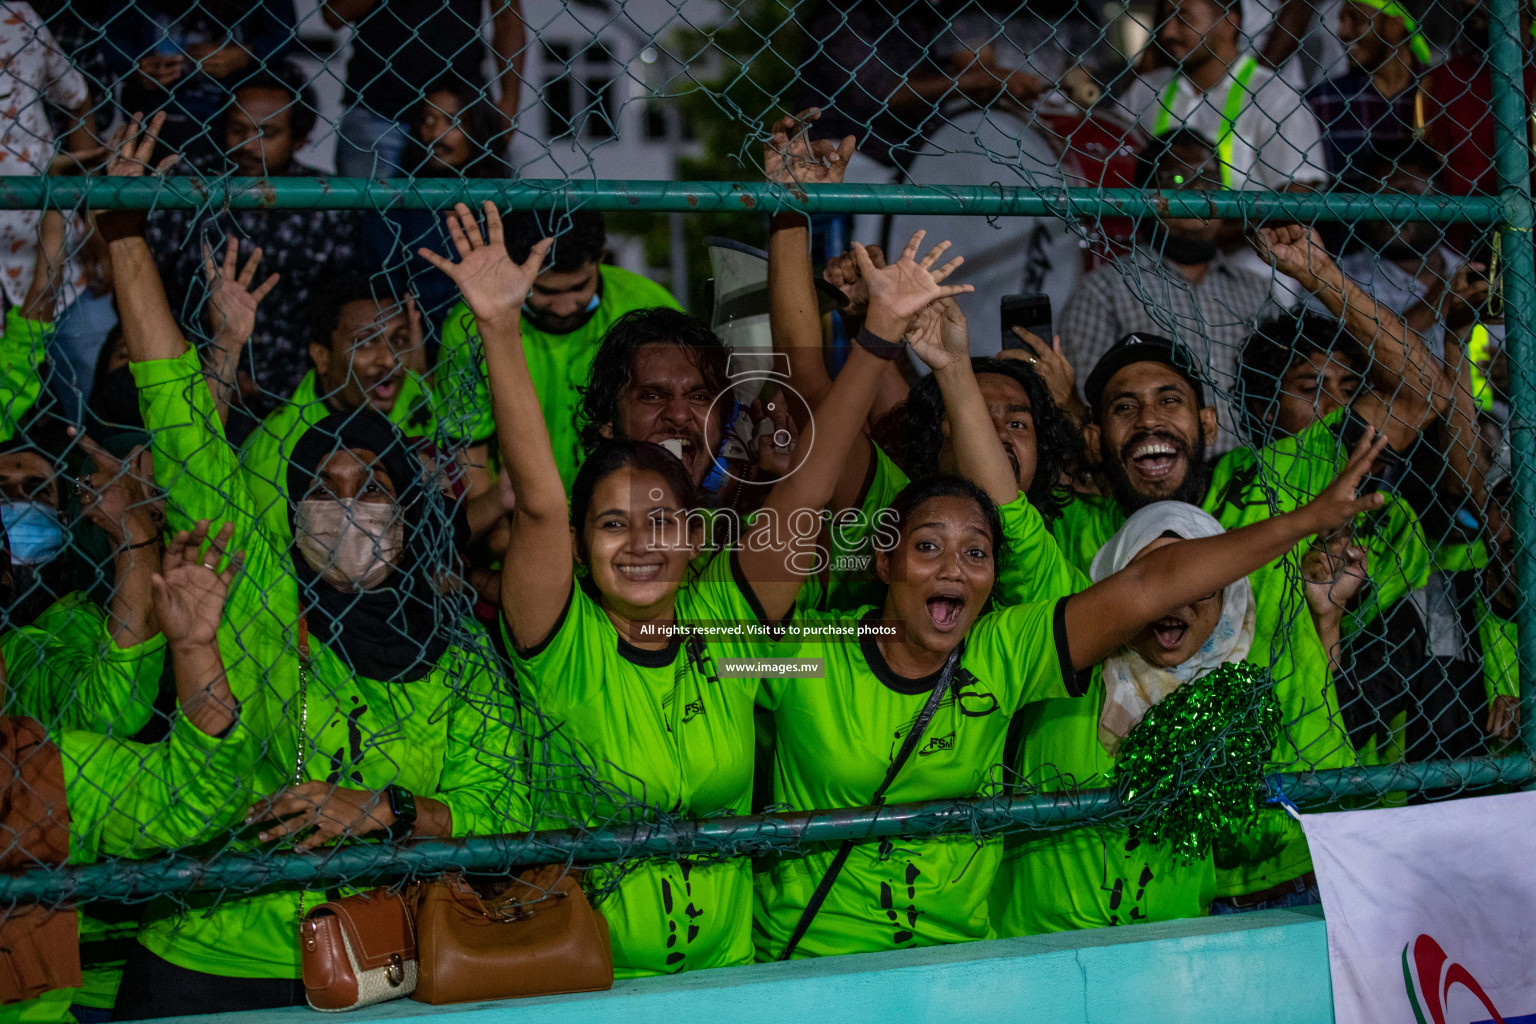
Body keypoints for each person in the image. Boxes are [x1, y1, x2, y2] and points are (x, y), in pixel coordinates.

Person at [420, 198, 974, 974]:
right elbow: (542, 502)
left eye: (663, 522)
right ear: (579, 547)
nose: (644, 542)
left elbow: (813, 480)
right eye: (614, 525)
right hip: (597, 982)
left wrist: (878, 333)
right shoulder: (560, 636)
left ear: (697, 539)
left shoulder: (726, 616)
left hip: (733, 980)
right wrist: (500, 328)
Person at [102, 114, 530, 1017]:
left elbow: (509, 808)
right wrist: (127, 237)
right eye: (321, 491)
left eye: (372, 485)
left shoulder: (454, 648)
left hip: (386, 967)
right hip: (215, 955)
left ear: (412, 518)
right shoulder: (256, 591)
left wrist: (388, 810)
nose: (347, 507)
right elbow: (179, 423)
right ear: (288, 518)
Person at [756, 433, 1386, 958]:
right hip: (825, 959)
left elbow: (1152, 586)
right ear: (884, 563)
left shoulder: (1005, 652)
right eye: (927, 547)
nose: (952, 568)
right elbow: (702, 648)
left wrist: (1315, 576)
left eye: (975, 552)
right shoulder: (816, 650)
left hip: (970, 964)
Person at [992, 502, 1256, 934]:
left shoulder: (1230, 692)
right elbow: (1011, 514)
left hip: (1170, 954)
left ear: (1228, 597)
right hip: (1037, 952)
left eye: (1198, 582)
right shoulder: (1070, 645)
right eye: (1155, 577)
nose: (1174, 599)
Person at [146, 64, 364, 420]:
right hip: (189, 376)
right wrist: (214, 365)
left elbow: (337, 308)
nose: (247, 145)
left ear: (299, 139)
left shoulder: (327, 201)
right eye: (237, 129)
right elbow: (154, 287)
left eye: (267, 133)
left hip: (300, 389)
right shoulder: (189, 187)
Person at [434, 208, 682, 493]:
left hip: (630, 502)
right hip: (517, 513)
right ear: (515, 269)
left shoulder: (649, 308)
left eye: (578, 287)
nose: (564, 308)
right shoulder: (471, 325)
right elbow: (469, 454)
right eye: (546, 292)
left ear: (600, 255)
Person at [1058, 130, 1278, 449]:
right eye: (1177, 179)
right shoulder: (1108, 288)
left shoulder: (1255, 290)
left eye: (1210, 179)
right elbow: (1085, 400)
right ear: (1147, 195)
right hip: (1157, 468)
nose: (1197, 190)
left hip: (1252, 472)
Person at [239, 271, 439, 542]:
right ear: (322, 357)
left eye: (399, 339)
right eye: (366, 342)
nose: (390, 360)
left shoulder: (413, 392)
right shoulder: (277, 459)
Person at [1119, 0, 1327, 193]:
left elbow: (1299, 193)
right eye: (1166, 18)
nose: (1168, 32)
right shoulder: (1147, 89)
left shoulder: (1275, 96)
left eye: (1184, 19)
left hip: (1244, 232)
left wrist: (1222, 229)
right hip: (1153, 230)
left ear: (1228, 22)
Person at [364, 76, 515, 330]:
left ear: (478, 127)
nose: (435, 134)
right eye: (427, 120)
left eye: (453, 121)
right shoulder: (395, 200)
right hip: (411, 336)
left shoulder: (507, 201)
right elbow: (380, 282)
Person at [323, 0, 525, 178]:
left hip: (458, 107)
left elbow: (507, 17)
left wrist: (510, 102)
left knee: (468, 213)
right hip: (378, 106)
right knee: (370, 214)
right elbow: (335, 14)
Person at [105, 0, 297, 174]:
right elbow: (112, 34)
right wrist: (136, 66)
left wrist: (246, 55)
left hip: (231, 115)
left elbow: (284, 32)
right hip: (155, 114)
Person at [1304, 0, 1432, 190]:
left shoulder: (1439, 90)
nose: (1343, 32)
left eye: (1356, 19)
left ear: (1394, 25)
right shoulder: (1323, 101)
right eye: (1341, 19)